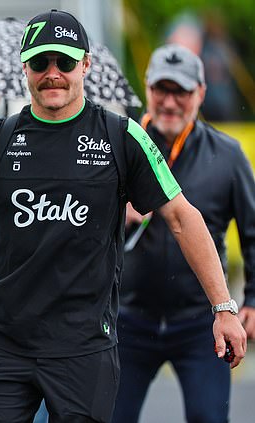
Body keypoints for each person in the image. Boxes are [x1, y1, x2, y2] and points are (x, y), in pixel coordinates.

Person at [0, 9, 247, 423]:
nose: (52, 73)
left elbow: (181, 217)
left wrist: (224, 308)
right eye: (40, 62)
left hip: (84, 348)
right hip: (3, 343)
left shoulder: (120, 136)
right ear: (25, 68)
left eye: (65, 62)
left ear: (85, 64)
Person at [112, 44, 255, 423]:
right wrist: (117, 215)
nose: (170, 102)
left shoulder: (227, 155)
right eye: (162, 89)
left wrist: (252, 300)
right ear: (147, 88)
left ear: (201, 94)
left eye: (182, 91)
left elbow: (254, 232)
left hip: (200, 322)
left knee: (209, 417)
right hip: (128, 317)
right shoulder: (120, 147)